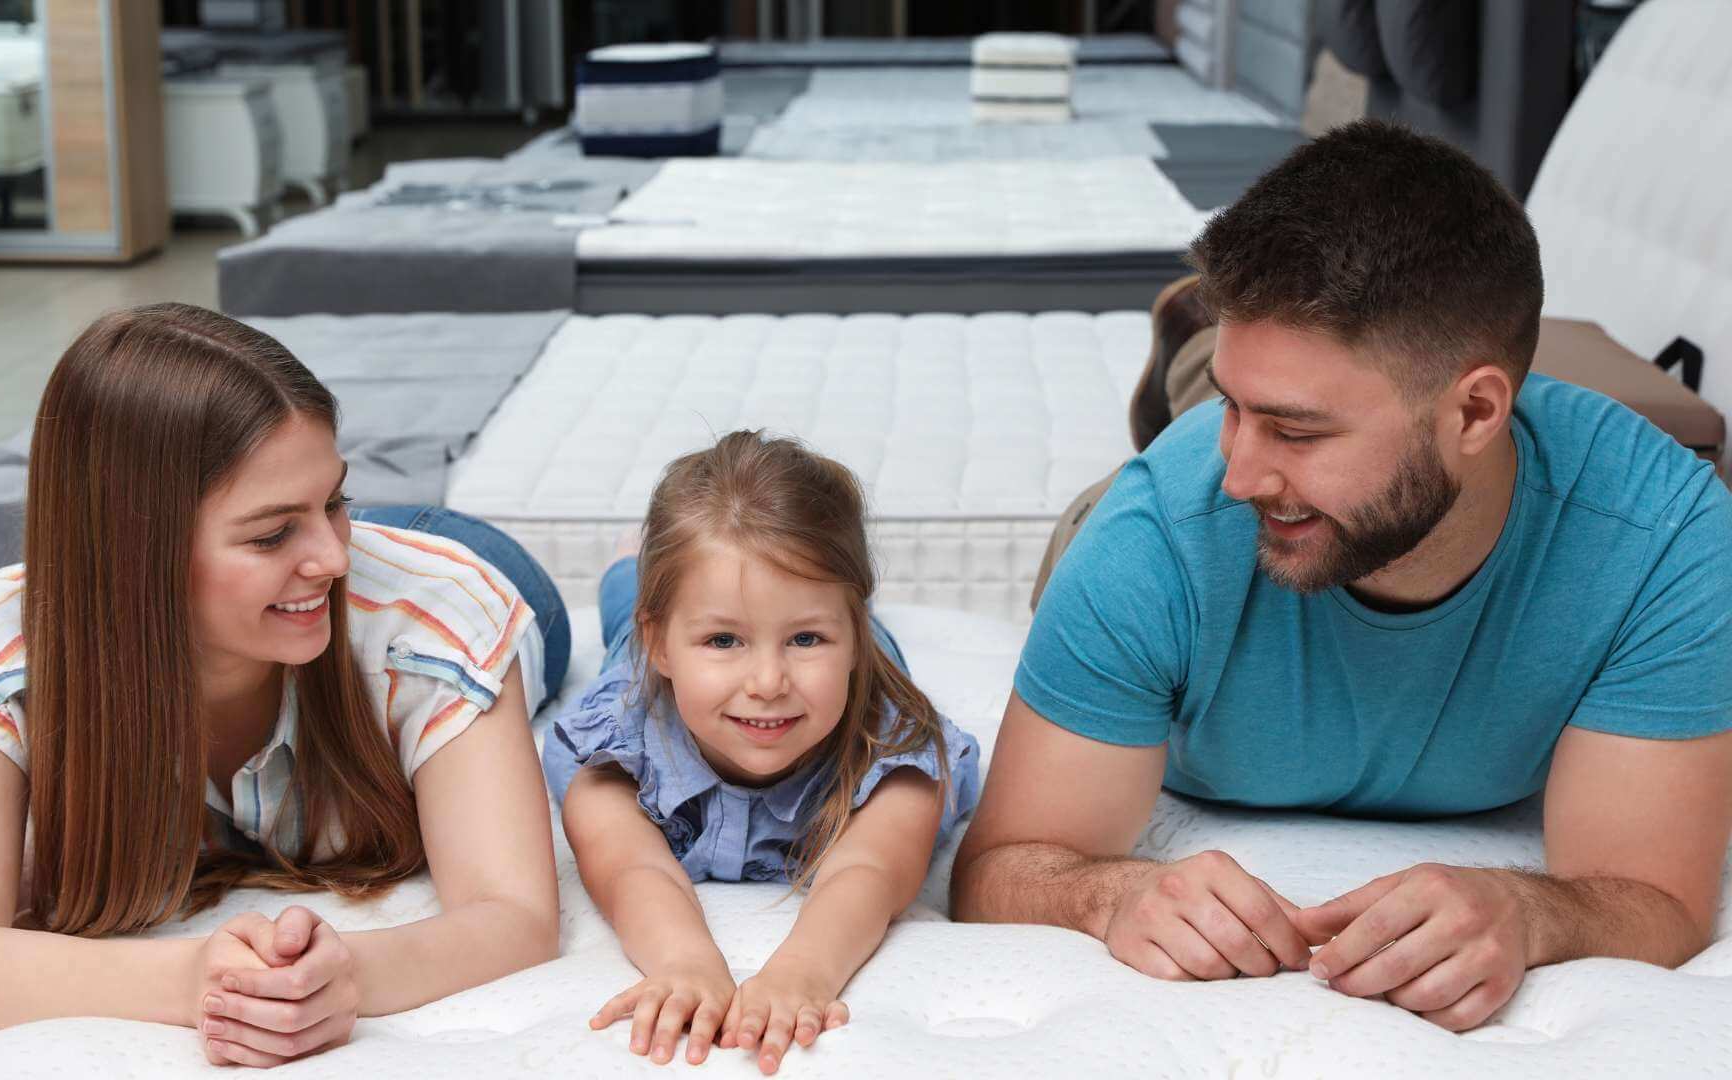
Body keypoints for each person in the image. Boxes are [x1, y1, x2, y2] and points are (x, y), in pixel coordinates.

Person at [951, 120, 1732, 1032]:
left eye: (1296, 428)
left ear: (1477, 410)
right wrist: (1106, 896)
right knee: (1171, 485)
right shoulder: (1157, 529)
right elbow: (1002, 865)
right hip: (1150, 532)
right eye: (1242, 414)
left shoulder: (1666, 539)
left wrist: (1532, 911)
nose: (1238, 470)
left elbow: (1655, 897)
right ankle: (1199, 358)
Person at [0, 303, 570, 1068]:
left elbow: (517, 914)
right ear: (135, 549)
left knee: (619, 606)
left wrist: (347, 978)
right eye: (271, 533)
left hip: (458, 554)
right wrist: (195, 979)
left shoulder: (436, 613)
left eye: (335, 499)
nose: (331, 557)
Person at [541, 431, 982, 1075]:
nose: (768, 683)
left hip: (859, 662)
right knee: (623, 606)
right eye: (724, 641)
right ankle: (628, 572)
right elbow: (630, 866)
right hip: (638, 660)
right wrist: (684, 962)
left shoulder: (894, 754)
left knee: (804, 612)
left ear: (848, 638)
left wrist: (803, 971)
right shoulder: (615, 750)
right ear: (663, 647)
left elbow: (871, 871)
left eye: (806, 638)